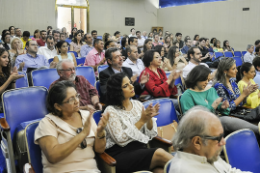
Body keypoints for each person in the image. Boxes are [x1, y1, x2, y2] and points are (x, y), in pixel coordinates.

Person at [104, 72, 173, 173]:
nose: (132, 86)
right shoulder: (111, 111)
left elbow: (150, 134)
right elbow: (121, 140)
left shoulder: (137, 104)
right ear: (117, 91)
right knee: (159, 153)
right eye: (126, 85)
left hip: (140, 150)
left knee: (161, 170)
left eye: (130, 83)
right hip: (121, 155)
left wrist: (148, 118)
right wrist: (142, 120)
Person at [35, 80, 109, 173]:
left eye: (77, 96)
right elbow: (53, 156)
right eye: (71, 99)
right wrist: (82, 134)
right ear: (58, 106)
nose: (77, 101)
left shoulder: (86, 115)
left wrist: (101, 132)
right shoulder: (47, 123)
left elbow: (99, 149)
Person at [170, 106, 252, 173]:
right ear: (197, 142)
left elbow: (230, 171)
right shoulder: (185, 170)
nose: (223, 142)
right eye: (218, 138)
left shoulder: (207, 154)